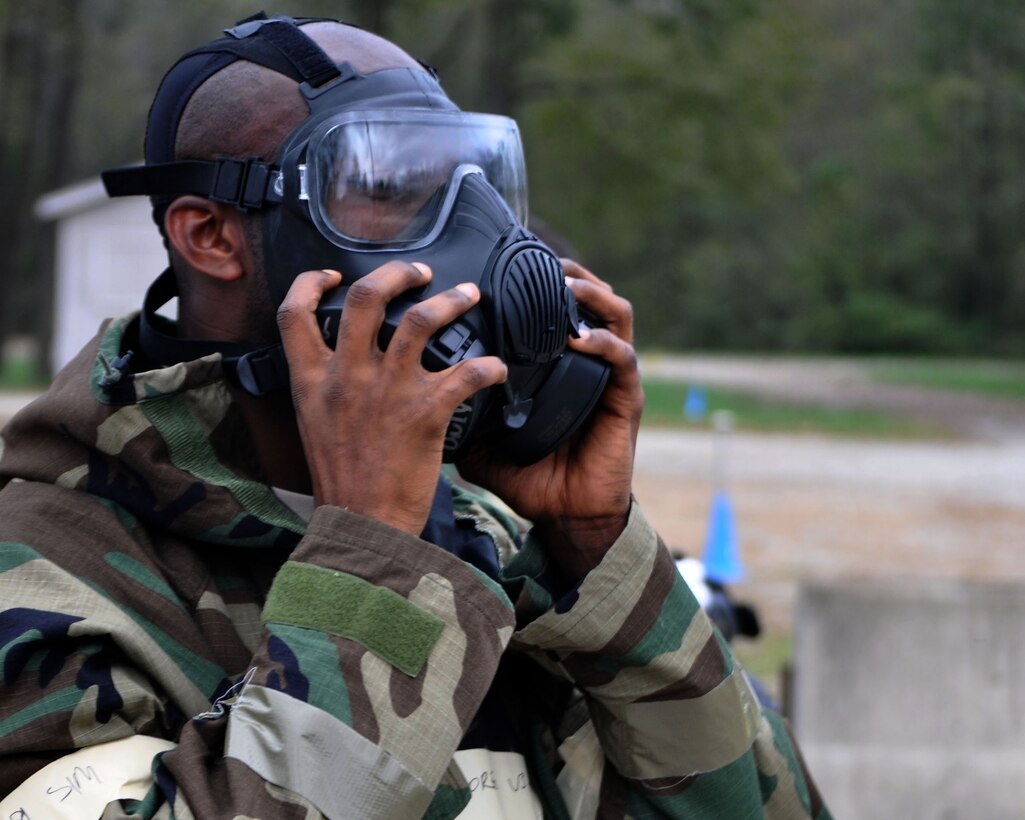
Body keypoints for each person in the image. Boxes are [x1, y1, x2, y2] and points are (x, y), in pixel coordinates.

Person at [0, 14, 830, 819]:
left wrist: (599, 561)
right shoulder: (43, 579)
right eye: (390, 192)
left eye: (474, 188)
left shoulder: (493, 539)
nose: (479, 242)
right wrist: (375, 559)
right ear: (211, 235)